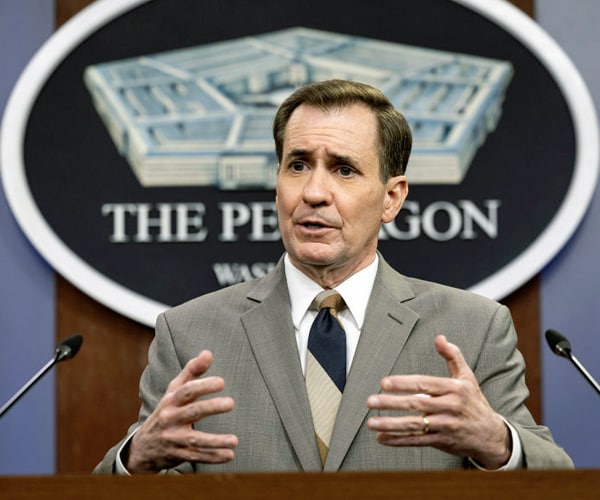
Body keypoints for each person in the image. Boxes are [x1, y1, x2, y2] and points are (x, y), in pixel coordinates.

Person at [94, 79, 573, 474]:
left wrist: (497, 443)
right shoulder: (191, 333)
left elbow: (557, 477)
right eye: (298, 165)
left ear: (392, 197)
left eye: (344, 170)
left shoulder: (474, 328)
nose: (314, 192)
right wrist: (135, 461)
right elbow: (121, 481)